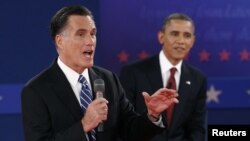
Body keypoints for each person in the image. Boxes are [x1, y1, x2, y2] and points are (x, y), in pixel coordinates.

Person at [21, 5, 179, 141]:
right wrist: (84, 126)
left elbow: (130, 132)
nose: (90, 41)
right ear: (60, 41)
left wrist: (152, 115)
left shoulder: (108, 79)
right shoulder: (36, 91)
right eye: (81, 34)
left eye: (93, 33)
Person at [119, 13, 207, 141]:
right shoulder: (133, 72)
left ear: (193, 41)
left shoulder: (198, 79)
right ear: (161, 37)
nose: (181, 41)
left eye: (187, 36)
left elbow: (197, 129)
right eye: (175, 34)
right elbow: (124, 123)